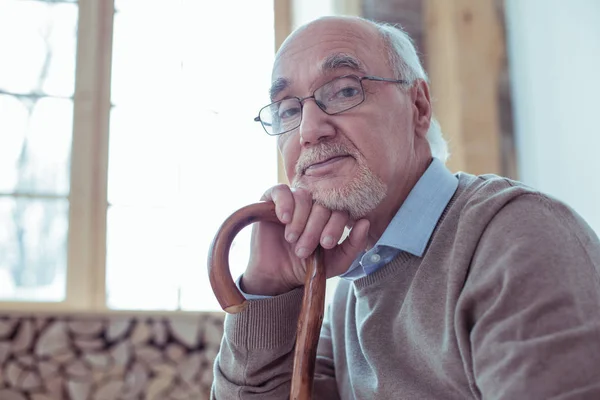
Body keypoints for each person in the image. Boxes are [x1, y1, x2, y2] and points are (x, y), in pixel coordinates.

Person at [212, 15, 600, 399]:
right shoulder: (350, 292)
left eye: (345, 90)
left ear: (418, 106)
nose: (308, 130)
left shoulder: (518, 238)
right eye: (287, 111)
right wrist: (267, 292)